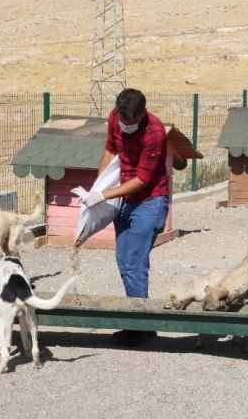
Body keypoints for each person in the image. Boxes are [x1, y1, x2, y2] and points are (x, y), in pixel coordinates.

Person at [77, 88, 170, 346]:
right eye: (123, 121)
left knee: (134, 261)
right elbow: (109, 151)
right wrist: (98, 186)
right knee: (124, 260)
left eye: (132, 123)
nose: (126, 127)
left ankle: (137, 326)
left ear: (142, 113)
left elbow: (143, 180)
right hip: (123, 198)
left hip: (150, 201)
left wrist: (105, 194)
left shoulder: (155, 132)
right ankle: (142, 320)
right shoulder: (114, 119)